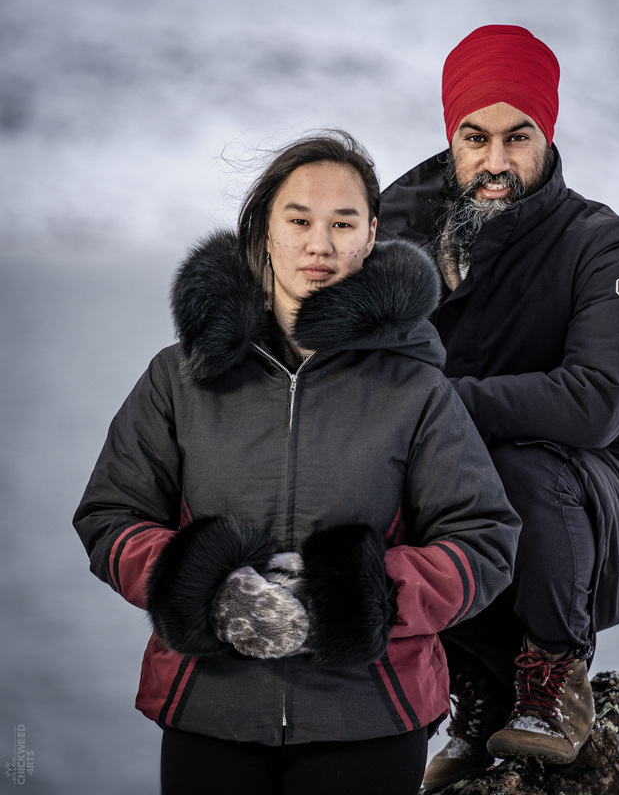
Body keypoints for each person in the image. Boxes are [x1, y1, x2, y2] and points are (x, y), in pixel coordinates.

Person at [73, 130, 522, 795]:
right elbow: (111, 518)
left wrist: (351, 599)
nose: (320, 244)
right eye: (300, 220)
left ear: (371, 235)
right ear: (264, 231)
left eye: (343, 223)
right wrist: (210, 593)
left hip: (371, 714)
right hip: (210, 712)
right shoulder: (179, 378)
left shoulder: (415, 389)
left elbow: (484, 543)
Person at [377, 25, 619, 790]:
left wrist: (429, 404)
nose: (497, 162)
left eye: (520, 136)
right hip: (481, 505)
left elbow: (593, 408)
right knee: (387, 471)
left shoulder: (607, 249)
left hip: (609, 521)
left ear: (548, 133)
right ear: (451, 136)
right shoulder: (392, 242)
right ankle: (478, 693)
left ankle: (553, 674)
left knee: (510, 457)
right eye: (475, 137)